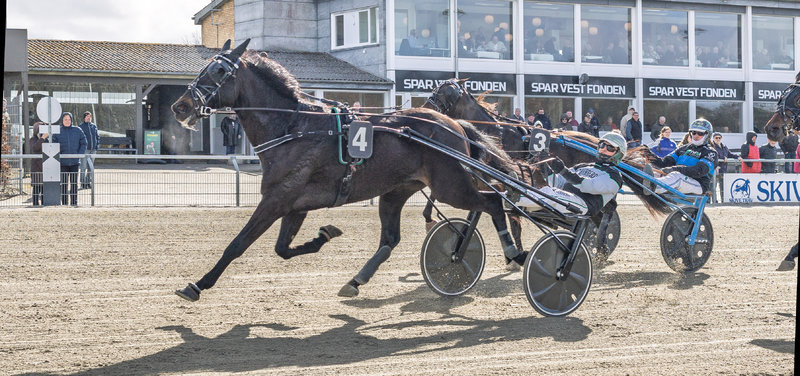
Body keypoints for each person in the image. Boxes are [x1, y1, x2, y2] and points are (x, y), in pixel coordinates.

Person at [512, 132, 625, 217]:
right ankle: (506, 194)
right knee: (546, 190)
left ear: (618, 154)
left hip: (583, 204)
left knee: (549, 194)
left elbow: (589, 186)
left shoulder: (614, 176)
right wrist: (545, 166)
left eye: (610, 147)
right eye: (602, 145)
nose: (603, 149)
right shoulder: (584, 166)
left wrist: (564, 171)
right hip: (565, 197)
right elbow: (557, 183)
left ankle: (515, 197)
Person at [643, 119, 717, 195]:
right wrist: (648, 153)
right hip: (681, 180)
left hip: (699, 184)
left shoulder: (711, 152)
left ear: (708, 134)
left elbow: (699, 171)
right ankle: (641, 185)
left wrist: (675, 169)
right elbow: (663, 163)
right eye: (693, 132)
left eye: (700, 133)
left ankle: (653, 187)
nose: (696, 135)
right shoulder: (683, 148)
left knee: (676, 175)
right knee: (656, 173)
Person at [52, 112, 87, 206]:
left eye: (69, 119)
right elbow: (53, 145)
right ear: (62, 120)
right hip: (62, 163)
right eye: (65, 119)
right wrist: (58, 156)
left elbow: (84, 143)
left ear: (72, 120)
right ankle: (64, 203)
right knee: (63, 184)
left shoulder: (78, 130)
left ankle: (74, 202)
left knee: (74, 184)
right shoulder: (57, 131)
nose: (67, 121)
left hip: (75, 162)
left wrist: (79, 155)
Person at [710, 132, 740, 203]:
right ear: (713, 139)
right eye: (716, 138)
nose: (718, 139)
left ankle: (722, 200)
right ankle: (713, 201)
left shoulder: (724, 146)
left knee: (723, 186)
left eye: (719, 138)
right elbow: (714, 155)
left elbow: (730, 154)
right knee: (712, 186)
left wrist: (738, 156)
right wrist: (723, 157)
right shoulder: (712, 146)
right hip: (715, 169)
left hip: (723, 169)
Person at [28, 122, 48, 206]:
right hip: (36, 167)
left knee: (44, 188)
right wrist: (42, 138)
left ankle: (44, 203)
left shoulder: (47, 140)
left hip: (45, 166)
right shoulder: (33, 139)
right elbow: (35, 148)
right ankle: (35, 204)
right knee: (36, 187)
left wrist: (44, 138)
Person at [77, 111, 99, 189]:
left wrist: (97, 146)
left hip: (93, 149)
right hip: (85, 150)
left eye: (90, 116)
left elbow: (97, 136)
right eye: (87, 116)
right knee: (83, 167)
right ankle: (82, 183)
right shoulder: (81, 126)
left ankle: (88, 182)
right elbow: (79, 139)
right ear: (84, 118)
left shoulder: (94, 126)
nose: (89, 118)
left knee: (90, 167)